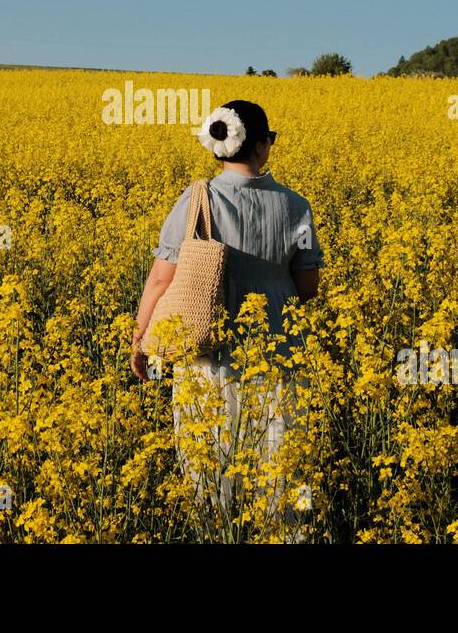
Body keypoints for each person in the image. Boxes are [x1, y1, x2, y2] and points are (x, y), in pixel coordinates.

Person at [130, 99, 323, 537]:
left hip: (208, 349)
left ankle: (216, 532)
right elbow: (308, 288)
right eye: (269, 140)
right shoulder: (297, 207)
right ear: (259, 147)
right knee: (278, 460)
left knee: (210, 462)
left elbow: (161, 280)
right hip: (280, 351)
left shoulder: (198, 200)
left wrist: (140, 337)